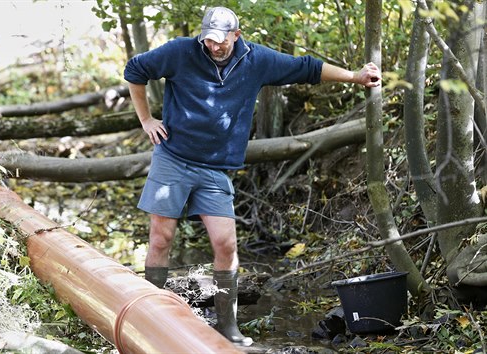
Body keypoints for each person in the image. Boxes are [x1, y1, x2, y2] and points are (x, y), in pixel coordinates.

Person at [123, 6, 381, 347]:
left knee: (226, 244)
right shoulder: (180, 51)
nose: (214, 47)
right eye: (209, 41)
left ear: (237, 35)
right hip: (174, 158)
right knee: (161, 238)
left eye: (221, 41)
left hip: (216, 168)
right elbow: (134, 70)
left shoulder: (255, 60)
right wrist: (146, 120)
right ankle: (150, 317)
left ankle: (227, 325)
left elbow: (306, 68)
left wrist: (354, 76)